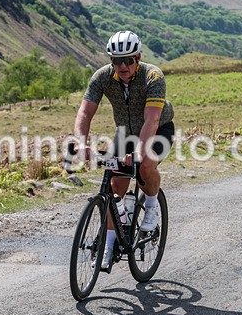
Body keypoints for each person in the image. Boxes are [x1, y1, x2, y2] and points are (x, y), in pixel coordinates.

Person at [74, 30, 175, 270]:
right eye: (117, 60)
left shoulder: (153, 76)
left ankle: (151, 207)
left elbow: (151, 119)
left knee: (146, 165)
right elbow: (85, 113)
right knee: (115, 187)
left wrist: (139, 153)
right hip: (125, 133)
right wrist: (80, 142)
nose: (122, 66)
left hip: (158, 129)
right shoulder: (102, 77)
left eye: (128, 60)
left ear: (137, 58)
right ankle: (108, 247)